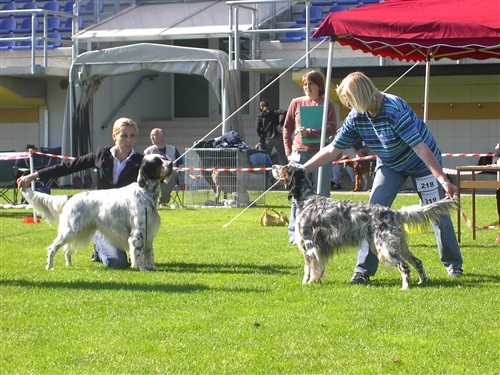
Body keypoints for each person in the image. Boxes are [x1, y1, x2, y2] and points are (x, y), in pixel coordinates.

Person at [302, 71, 463, 283]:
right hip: (390, 164)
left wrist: (442, 179)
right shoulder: (357, 117)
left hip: (421, 163)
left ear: (360, 95)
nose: (348, 105)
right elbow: (333, 150)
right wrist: (301, 169)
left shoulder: (394, 109)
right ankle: (363, 271)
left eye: (350, 100)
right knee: (370, 215)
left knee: (439, 216)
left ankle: (453, 266)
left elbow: (420, 147)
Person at [17, 117, 143, 268]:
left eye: (132, 135)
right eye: (123, 135)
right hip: (99, 216)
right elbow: (69, 167)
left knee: (123, 258)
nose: (128, 140)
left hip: (126, 221)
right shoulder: (102, 154)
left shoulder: (141, 161)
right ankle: (99, 248)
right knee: (117, 263)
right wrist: (34, 175)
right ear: (114, 136)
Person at [282, 70, 337, 244]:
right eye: (305, 84)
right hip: (299, 153)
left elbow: (332, 129)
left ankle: (322, 233)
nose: (307, 87)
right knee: (296, 194)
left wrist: (311, 132)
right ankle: (294, 233)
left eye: (311, 84)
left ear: (319, 86)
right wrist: (289, 152)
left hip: (321, 153)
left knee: (322, 194)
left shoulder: (327, 104)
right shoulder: (296, 103)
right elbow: (287, 128)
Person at [143, 128, 183, 206]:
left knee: (174, 172)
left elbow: (180, 165)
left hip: (170, 176)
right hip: (154, 176)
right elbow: (143, 166)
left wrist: (184, 172)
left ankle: (163, 201)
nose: (151, 137)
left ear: (162, 136)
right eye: (150, 136)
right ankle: (149, 201)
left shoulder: (173, 149)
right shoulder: (148, 151)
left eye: (153, 135)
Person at [256, 99, 287, 165]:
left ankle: (268, 173)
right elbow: (285, 112)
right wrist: (281, 124)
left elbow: (257, 129)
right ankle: (284, 173)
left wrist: (262, 136)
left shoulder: (260, 116)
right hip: (277, 136)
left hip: (267, 139)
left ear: (260, 107)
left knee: (267, 158)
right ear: (268, 105)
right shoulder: (274, 112)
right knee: (281, 156)